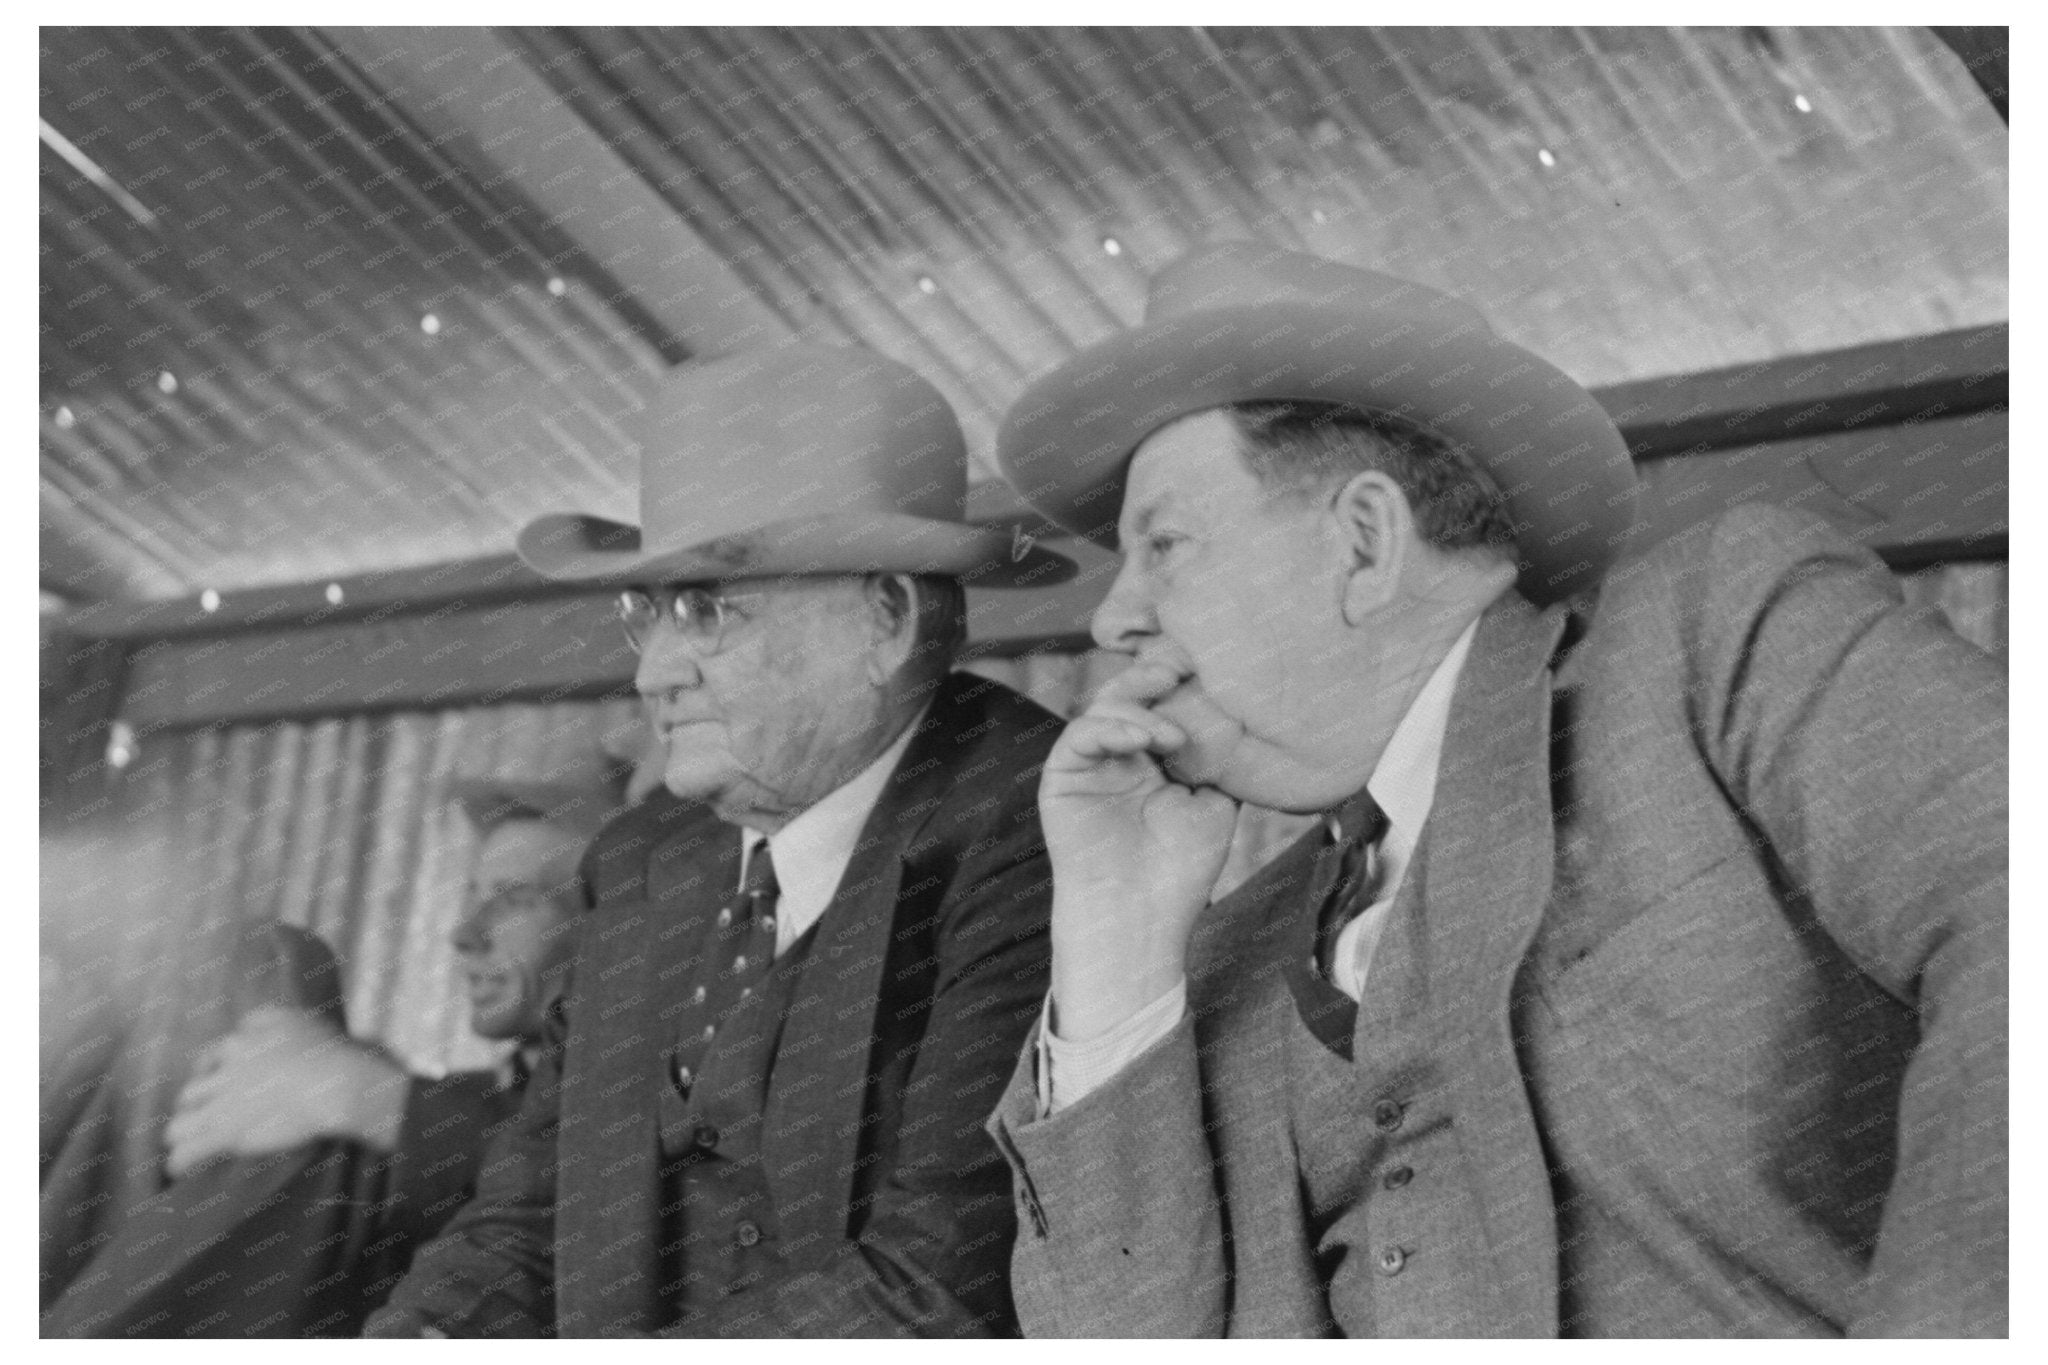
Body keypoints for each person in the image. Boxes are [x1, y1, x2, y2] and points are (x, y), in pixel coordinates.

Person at [982, 243, 2007, 1337]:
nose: (1112, 620)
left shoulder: (1711, 639)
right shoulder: (1228, 948)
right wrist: (1115, 940)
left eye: (1162, 546)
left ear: (1365, 542)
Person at [366, 344, 1074, 1338]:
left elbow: (938, 1283)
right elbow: (523, 1220)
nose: (653, 674)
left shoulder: (1033, 823)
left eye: (705, 611)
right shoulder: (647, 854)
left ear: (884, 619)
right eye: (644, 613)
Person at [42, 770, 624, 1337]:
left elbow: (596, 1190)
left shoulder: (636, 1090)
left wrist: (370, 1100)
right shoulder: (495, 1096)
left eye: (516, 898)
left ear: (614, 930)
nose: (464, 933)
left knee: (276, 971)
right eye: (472, 894)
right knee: (239, 1001)